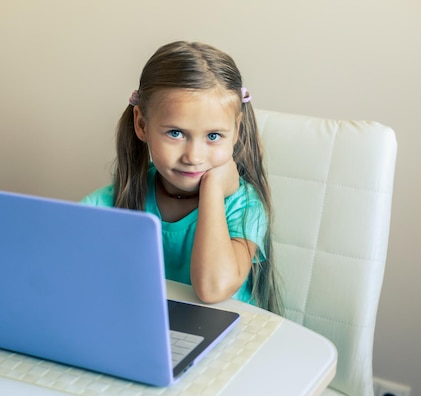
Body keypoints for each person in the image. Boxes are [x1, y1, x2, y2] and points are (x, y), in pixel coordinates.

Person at [82, 41, 281, 314]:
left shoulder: (244, 206)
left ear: (235, 131)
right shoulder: (109, 202)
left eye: (213, 136)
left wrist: (212, 189)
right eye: (176, 133)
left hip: (227, 345)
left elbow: (212, 289)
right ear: (141, 124)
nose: (193, 156)